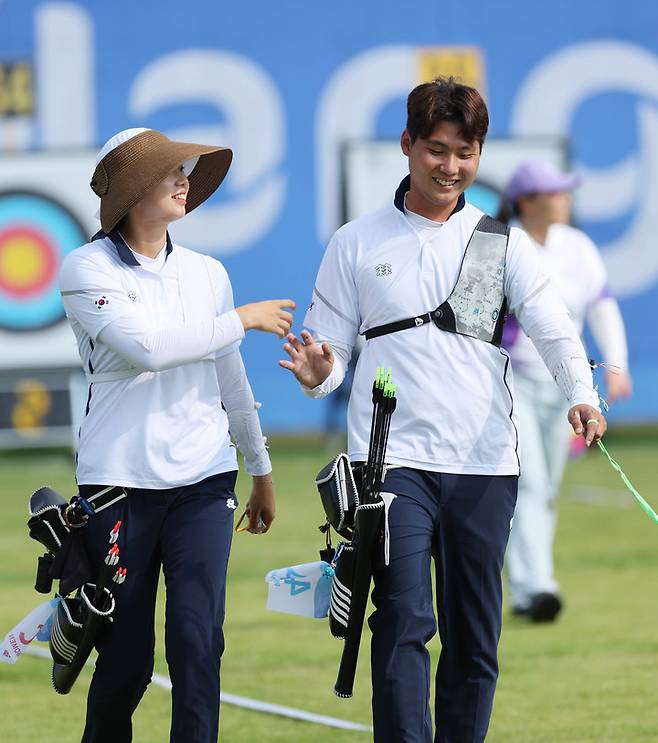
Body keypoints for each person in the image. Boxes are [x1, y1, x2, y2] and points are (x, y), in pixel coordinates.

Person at [280, 77, 607, 742]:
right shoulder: (356, 242)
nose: (450, 167)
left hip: (485, 462)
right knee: (402, 620)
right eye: (436, 150)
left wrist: (582, 390)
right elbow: (330, 354)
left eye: (466, 152)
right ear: (407, 145)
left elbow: (552, 324)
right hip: (390, 465)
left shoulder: (498, 242)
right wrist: (320, 374)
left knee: (474, 636)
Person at [59, 127, 295, 743]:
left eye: (184, 169)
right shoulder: (85, 267)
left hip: (203, 481)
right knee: (125, 660)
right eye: (169, 171)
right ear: (132, 188)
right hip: (117, 485)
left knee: (198, 643)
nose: (184, 180)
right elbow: (148, 350)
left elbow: (230, 378)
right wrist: (240, 320)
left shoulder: (208, 273)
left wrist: (261, 469)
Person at [497, 160, 632, 622]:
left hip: (565, 385)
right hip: (510, 380)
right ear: (528, 200)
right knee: (528, 482)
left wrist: (615, 365)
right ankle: (538, 587)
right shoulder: (503, 242)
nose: (565, 198)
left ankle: (526, 588)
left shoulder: (577, 246)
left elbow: (601, 305)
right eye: (555, 191)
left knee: (548, 486)